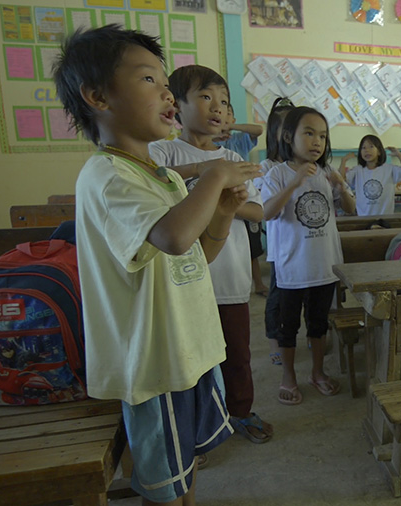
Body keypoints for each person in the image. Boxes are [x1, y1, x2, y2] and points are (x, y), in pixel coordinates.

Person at [55, 25, 255, 505]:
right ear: (97, 95)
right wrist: (215, 174)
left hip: (188, 350)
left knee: (184, 470)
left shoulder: (159, 173)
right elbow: (171, 236)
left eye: (165, 81)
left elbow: (195, 256)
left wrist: (224, 215)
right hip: (152, 364)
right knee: (162, 485)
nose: (166, 91)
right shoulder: (106, 174)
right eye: (149, 80)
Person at [148, 64, 273, 448]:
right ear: (176, 106)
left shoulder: (230, 159)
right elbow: (154, 176)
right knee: (191, 363)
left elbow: (260, 210)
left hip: (230, 275)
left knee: (236, 354)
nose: (217, 108)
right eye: (205, 97)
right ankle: (197, 429)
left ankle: (240, 412)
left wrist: (228, 203)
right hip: (183, 279)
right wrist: (208, 172)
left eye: (223, 101)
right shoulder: (164, 149)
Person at [261, 106, 356, 406]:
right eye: (309, 133)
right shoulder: (277, 173)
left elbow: (351, 210)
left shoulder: (327, 173)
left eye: (323, 136)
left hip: (324, 265)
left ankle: (317, 372)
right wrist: (294, 181)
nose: (317, 141)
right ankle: (289, 377)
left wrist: (342, 186)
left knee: (318, 325)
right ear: (289, 137)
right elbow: (267, 213)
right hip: (291, 268)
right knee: (287, 328)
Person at [215, 104, 270, 298]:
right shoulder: (212, 144)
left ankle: (257, 283)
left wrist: (231, 128)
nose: (224, 116)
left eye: (228, 113)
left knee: (251, 245)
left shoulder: (239, 140)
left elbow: (258, 130)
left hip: (243, 199)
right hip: (217, 201)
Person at [260, 97, 295, 366]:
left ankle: (296, 337)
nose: (287, 134)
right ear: (273, 133)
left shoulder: (306, 164)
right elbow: (266, 209)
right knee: (277, 297)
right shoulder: (267, 168)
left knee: (300, 295)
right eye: (282, 127)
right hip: (279, 245)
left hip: (304, 245)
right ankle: (275, 341)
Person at [341, 134, 401, 215]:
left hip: (385, 217)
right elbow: (341, 180)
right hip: (363, 217)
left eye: (371, 147)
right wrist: (344, 161)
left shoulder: (389, 168)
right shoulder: (357, 170)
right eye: (363, 148)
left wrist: (399, 155)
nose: (367, 150)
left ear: (379, 151)